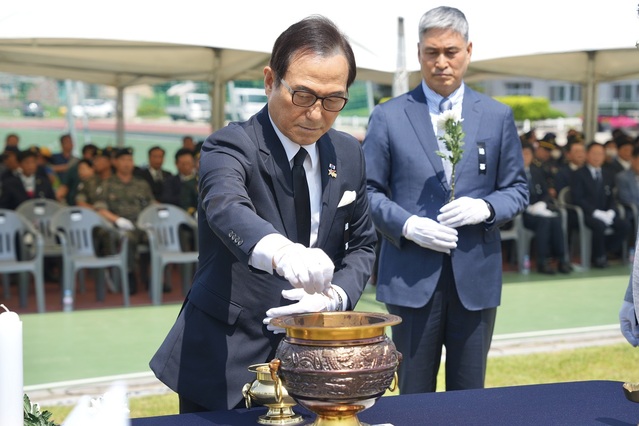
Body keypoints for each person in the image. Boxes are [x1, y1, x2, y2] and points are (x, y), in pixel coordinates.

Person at [150, 15, 377, 413]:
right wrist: (281, 251)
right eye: (303, 95)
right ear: (270, 81)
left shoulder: (348, 153)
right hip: (228, 358)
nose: (316, 114)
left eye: (333, 100)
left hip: (314, 360)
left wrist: (335, 299)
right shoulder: (230, 145)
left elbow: (362, 245)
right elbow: (225, 206)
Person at [362, 6, 528, 394]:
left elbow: (518, 189)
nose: (441, 63)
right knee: (414, 394)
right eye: (431, 53)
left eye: (450, 52)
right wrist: (406, 224)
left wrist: (486, 208)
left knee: (469, 395)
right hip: (411, 275)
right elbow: (367, 192)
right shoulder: (388, 116)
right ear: (418, 52)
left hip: (476, 276)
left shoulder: (496, 115)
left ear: (468, 50)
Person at [93, 147, 155, 294]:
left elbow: (152, 205)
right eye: (123, 160)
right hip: (119, 227)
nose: (127, 163)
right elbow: (100, 209)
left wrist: (151, 219)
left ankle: (154, 277)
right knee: (128, 238)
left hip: (141, 224)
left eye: (130, 160)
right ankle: (129, 275)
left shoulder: (141, 184)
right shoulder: (107, 184)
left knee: (155, 237)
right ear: (116, 163)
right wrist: (118, 220)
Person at [571, 142, 630, 268]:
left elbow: (613, 197)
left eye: (600, 154)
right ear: (587, 155)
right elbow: (577, 198)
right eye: (594, 153)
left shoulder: (608, 174)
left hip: (606, 212)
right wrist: (595, 213)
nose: (597, 157)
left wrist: (611, 211)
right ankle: (598, 257)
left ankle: (606, 250)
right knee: (599, 225)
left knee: (624, 225)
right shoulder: (578, 174)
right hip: (587, 213)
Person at [521, 142, 571, 274]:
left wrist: (542, 203)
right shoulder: (511, 173)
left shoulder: (536, 171)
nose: (524, 157)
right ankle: (542, 261)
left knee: (556, 219)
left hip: (540, 209)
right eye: (522, 153)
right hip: (523, 213)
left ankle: (561, 260)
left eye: (527, 154)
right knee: (544, 222)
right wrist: (528, 207)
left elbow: (545, 192)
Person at [161, 148, 198, 215]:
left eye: (189, 163)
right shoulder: (170, 181)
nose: (186, 167)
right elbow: (167, 199)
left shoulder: (200, 180)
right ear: (176, 164)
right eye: (183, 164)